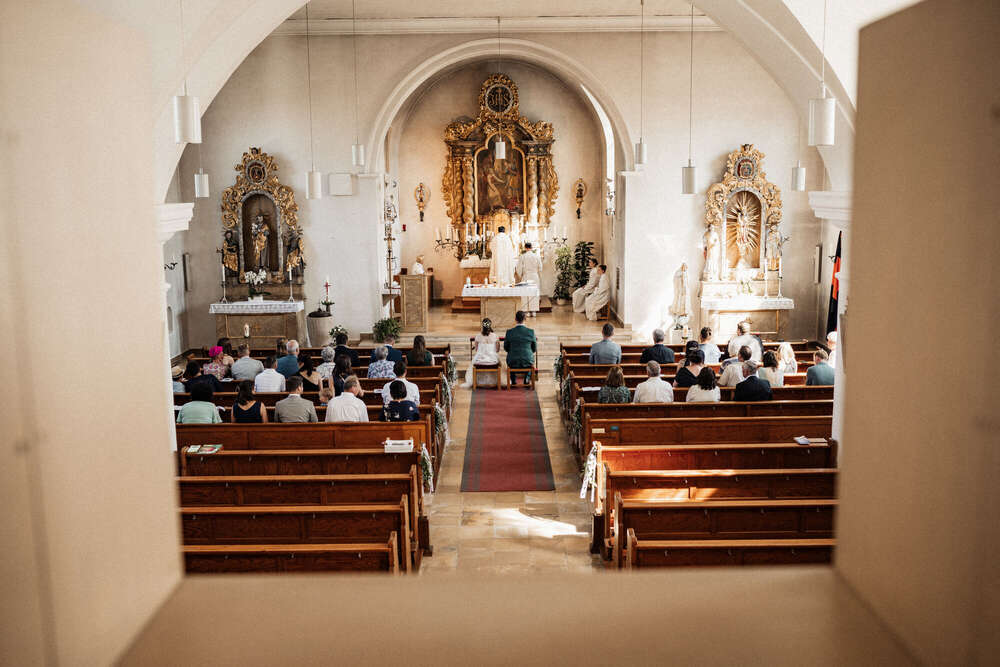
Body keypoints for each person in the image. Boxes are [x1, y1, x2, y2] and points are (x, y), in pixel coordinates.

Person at [464, 318, 500, 387]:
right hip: (492, 359)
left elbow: (476, 350)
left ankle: (479, 381)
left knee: (476, 359)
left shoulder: (478, 336)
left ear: (482, 326)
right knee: (499, 361)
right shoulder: (495, 336)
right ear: (490, 325)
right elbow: (497, 350)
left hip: (480, 358)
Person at [504, 310, 537, 385]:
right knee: (529, 358)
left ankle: (513, 379)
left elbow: (506, 348)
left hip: (512, 361)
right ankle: (527, 378)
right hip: (527, 361)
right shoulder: (531, 332)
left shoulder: (509, 332)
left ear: (515, 319)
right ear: (525, 319)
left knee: (512, 357)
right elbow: (534, 349)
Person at [515, 242, 543, 315]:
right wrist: (537, 273)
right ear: (531, 247)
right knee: (534, 293)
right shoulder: (536, 256)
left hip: (526, 276)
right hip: (534, 276)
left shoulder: (522, 256)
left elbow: (518, 268)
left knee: (525, 293)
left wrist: (520, 276)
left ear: (525, 248)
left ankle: (526, 311)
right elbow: (540, 268)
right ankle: (533, 311)